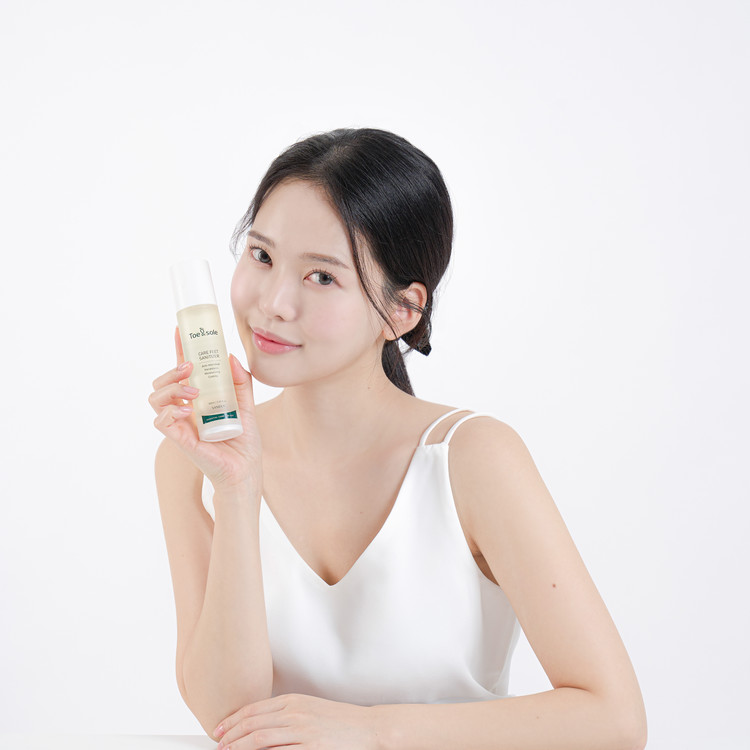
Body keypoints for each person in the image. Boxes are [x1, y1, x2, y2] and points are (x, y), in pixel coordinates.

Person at [149, 128, 647, 750]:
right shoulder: (194, 463)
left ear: (403, 309)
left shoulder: (471, 459)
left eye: (322, 277)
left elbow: (614, 720)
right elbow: (230, 717)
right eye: (262, 256)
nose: (274, 303)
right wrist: (237, 489)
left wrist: (372, 730)